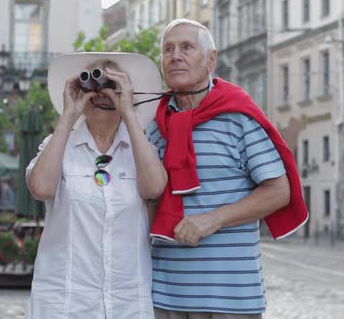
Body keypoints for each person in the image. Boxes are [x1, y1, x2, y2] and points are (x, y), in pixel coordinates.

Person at [146, 19, 309, 318]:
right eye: (167, 49)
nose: (175, 56)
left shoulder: (238, 119)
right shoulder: (154, 127)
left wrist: (213, 219)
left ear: (210, 60)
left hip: (230, 299)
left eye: (186, 47)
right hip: (164, 296)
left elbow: (279, 191)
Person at [25, 52, 168, 318]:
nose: (101, 93)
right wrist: (68, 114)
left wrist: (128, 112)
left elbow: (154, 189)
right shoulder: (58, 146)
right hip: (65, 300)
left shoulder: (140, 149)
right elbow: (40, 188)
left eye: (111, 86)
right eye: (93, 85)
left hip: (126, 301)